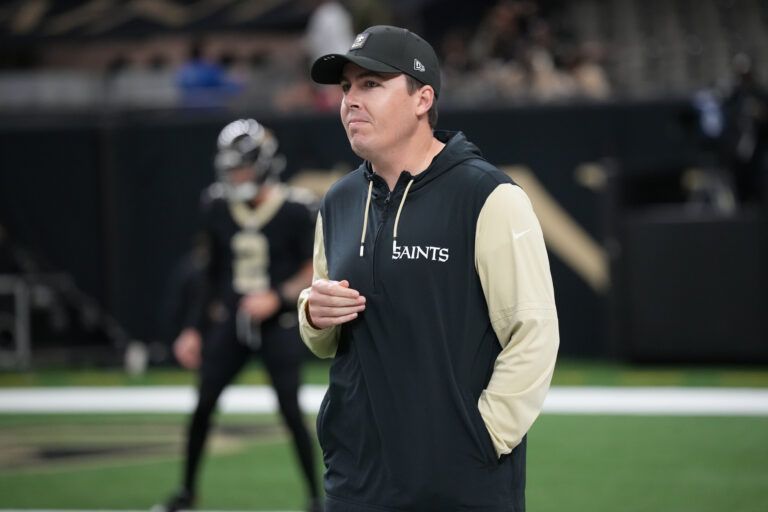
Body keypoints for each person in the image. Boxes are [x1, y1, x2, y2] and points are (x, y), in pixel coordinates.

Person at [298, 25, 559, 512]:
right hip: (356, 482)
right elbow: (323, 333)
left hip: (461, 486)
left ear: (423, 99)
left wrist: (481, 439)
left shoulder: (489, 197)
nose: (351, 99)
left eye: (371, 84)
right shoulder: (338, 201)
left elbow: (535, 334)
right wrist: (312, 313)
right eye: (346, 87)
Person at [155, 119, 323, 512]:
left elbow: (313, 268)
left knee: (291, 412)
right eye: (232, 166)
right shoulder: (216, 204)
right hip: (231, 320)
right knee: (202, 405)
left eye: (243, 165)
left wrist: (277, 297)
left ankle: (316, 499)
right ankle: (186, 492)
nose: (237, 174)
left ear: (264, 163)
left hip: (278, 321)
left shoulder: (296, 207)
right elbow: (209, 274)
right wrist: (193, 329)